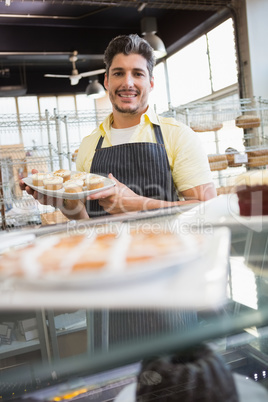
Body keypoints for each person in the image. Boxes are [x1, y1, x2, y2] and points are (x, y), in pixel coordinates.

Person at [21, 33, 216, 219]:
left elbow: (207, 208)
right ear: (106, 81)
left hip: (163, 250)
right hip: (104, 252)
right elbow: (85, 221)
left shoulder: (177, 136)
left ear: (151, 83)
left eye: (138, 74)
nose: (127, 83)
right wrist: (61, 202)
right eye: (118, 73)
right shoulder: (89, 145)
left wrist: (137, 204)